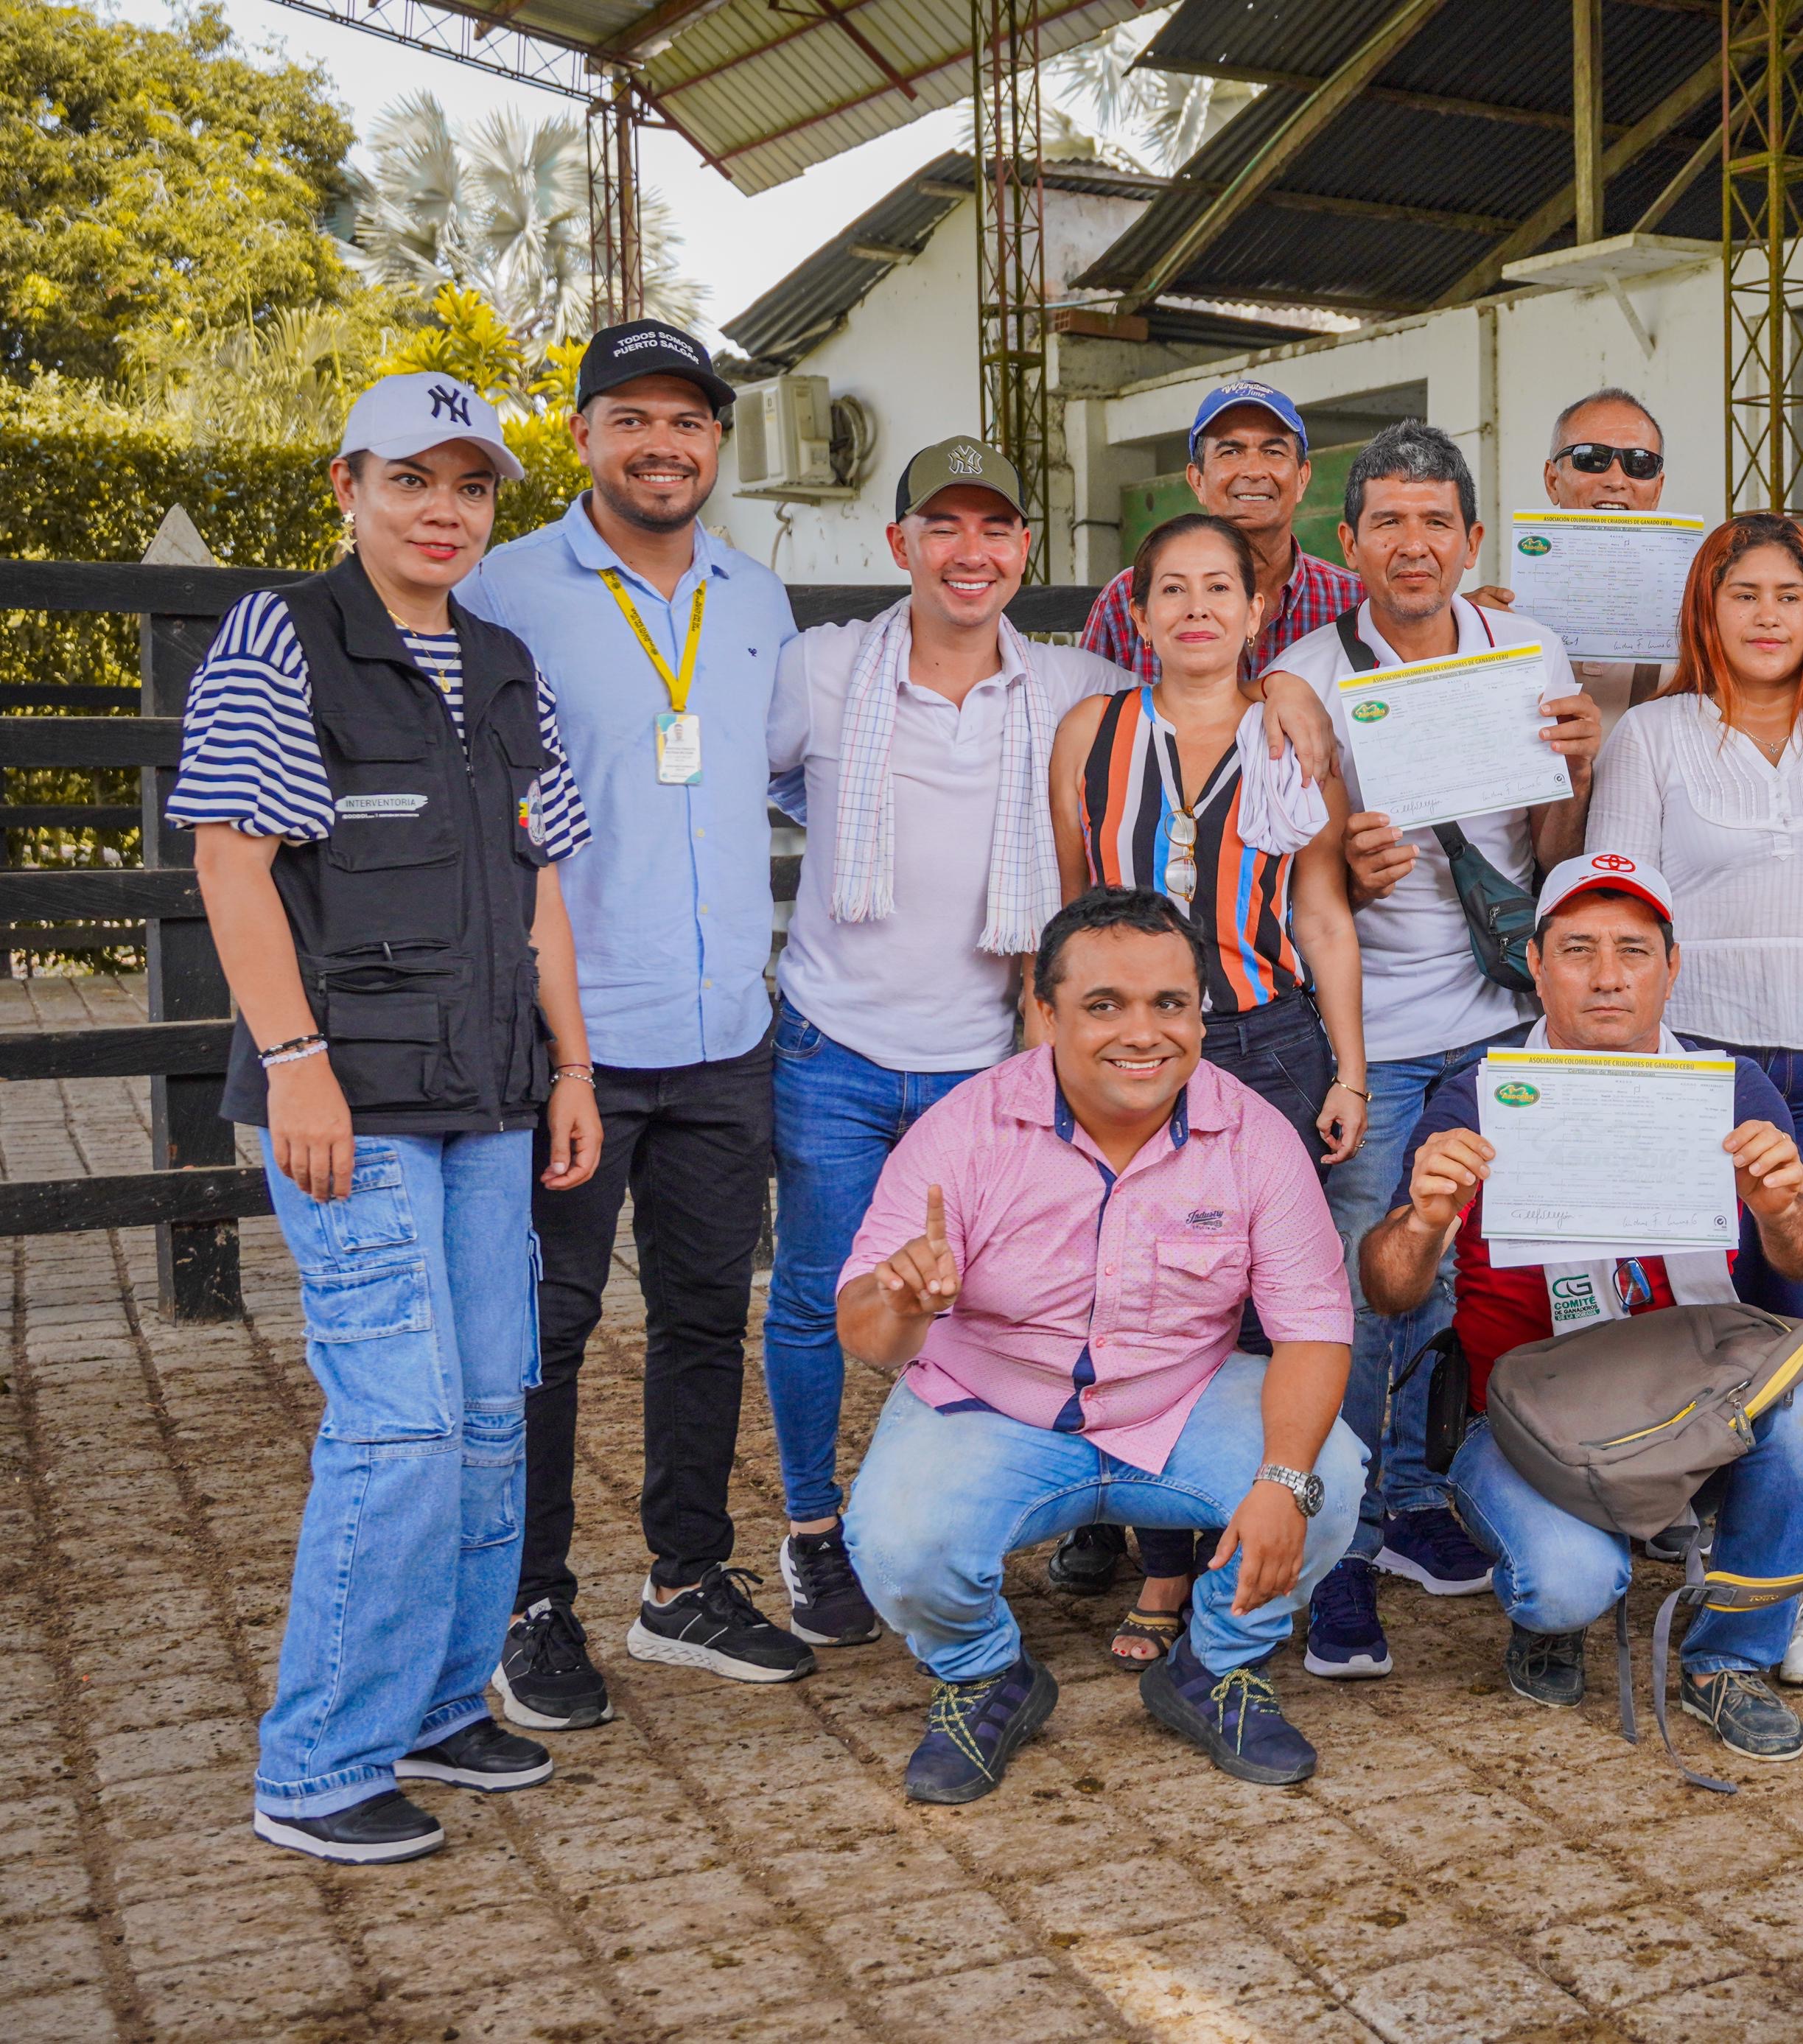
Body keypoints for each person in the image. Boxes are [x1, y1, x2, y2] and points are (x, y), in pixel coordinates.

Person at [174, 373, 602, 1863]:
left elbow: (544, 882)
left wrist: (572, 1067)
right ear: (348, 487)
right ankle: (317, 1762)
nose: (443, 508)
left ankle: (432, 1705)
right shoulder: (279, 638)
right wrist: (293, 1058)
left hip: (490, 1093)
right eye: (411, 479)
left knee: (491, 1417)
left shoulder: (501, 662)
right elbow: (234, 861)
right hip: (349, 1101)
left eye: (470, 485)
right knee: (401, 1425)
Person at [458, 319, 807, 1728]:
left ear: (717, 442)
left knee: (706, 1315)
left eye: (690, 421)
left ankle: (684, 1581)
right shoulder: (505, 588)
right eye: (634, 419)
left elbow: (784, 782)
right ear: (586, 434)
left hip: (728, 1030)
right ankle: (529, 1600)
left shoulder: (759, 596)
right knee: (542, 1325)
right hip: (572, 1042)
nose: (664, 445)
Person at [835, 889, 1365, 1802]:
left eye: (1170, 1003)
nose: (1143, 1033)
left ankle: (1215, 1666)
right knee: (895, 1542)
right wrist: (903, 1301)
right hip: (994, 1405)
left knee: (1329, 1478)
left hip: (1174, 1403)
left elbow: (1312, 1328)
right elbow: (865, 1333)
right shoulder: (964, 1129)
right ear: (1043, 1012)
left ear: (1202, 1009)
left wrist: (1281, 1479)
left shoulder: (1253, 1134)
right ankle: (983, 1674)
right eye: (1103, 1004)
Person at [755, 438, 1139, 1653]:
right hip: (840, 1043)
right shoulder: (821, 671)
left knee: (1010, 1297)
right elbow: (742, 784)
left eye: (997, 528)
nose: (971, 552)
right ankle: (816, 1532)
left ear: (1027, 548)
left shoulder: (1073, 680)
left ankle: (989, 1507)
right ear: (900, 544)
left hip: (991, 1057)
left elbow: (1202, 673)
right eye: (945, 527)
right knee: (824, 1293)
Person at [1355, 857, 1803, 1761]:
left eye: (1632, 949)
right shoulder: (1479, 1093)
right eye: (1577, 949)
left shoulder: (1726, 1084)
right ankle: (1546, 1617)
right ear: (1534, 964)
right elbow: (1389, 1290)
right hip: (1529, 1414)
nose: (1608, 974)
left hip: (1698, 1385)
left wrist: (1782, 1204)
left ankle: (1727, 1659)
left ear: (1671, 965)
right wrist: (1422, 1220)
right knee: (1570, 1586)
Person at [1267, 420, 1606, 1680]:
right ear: (1347, 543)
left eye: (1437, 521)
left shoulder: (1528, 648)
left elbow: (1551, 840)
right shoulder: (1309, 672)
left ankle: (1413, 1497)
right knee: (1368, 1284)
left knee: (1464, 1279)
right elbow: (1294, 887)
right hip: (1380, 1029)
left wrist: (1576, 762)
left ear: (1473, 539)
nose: (1414, 543)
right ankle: (1337, 1548)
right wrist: (1348, 857)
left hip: (1504, 1017)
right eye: (1388, 522)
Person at [1593, 510, 1803, 1690]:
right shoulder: (1651, 737)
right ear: (1708, 607)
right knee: (1713, 1313)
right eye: (1743, 593)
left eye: (1789, 595)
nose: (1767, 616)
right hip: (1705, 1063)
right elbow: (1623, 912)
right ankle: (1722, 1545)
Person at [1054, 377, 1362, 1609]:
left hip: (1267, 1036)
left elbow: (1323, 909)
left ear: (1255, 610)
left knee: (1256, 1303)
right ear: (1138, 607)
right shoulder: (1089, 728)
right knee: (1133, 1295)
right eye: (1169, 588)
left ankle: (1249, 1538)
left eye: (1217, 589)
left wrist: (1344, 1065)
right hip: (1126, 1050)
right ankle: (1159, 1561)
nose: (1193, 607)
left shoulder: (1292, 729)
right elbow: (1069, 915)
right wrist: (1049, 1070)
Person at [1080, 379, 1365, 686]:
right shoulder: (1130, 597)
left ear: (1302, 478)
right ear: (1198, 480)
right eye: (1230, 451)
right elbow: (1089, 715)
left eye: (1272, 451)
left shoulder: (1355, 602)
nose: (1254, 471)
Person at [1474, 387, 1678, 719]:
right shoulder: (1493, 620)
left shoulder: (1698, 624)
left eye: (1639, 464)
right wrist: (1454, 630)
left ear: (1657, 489)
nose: (1616, 480)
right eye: (1592, 458)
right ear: (1552, 480)